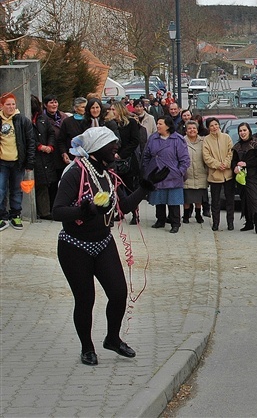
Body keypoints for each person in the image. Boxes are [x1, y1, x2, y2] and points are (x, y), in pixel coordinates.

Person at [51, 126, 169, 366]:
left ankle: (112, 339)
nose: (116, 148)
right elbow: (58, 211)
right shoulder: (75, 172)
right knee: (85, 299)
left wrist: (146, 186)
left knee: (118, 293)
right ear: (96, 149)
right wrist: (87, 209)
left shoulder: (107, 173)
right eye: (111, 145)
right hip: (75, 245)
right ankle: (87, 347)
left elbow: (123, 207)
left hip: (103, 242)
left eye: (116, 144)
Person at [140, 116, 190, 233]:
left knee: (173, 201)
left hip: (173, 174)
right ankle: (160, 220)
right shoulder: (153, 138)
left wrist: (179, 171)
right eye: (157, 123)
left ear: (168, 126)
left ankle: (175, 223)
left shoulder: (177, 139)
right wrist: (147, 170)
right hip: (157, 173)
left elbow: (185, 159)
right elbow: (146, 155)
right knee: (159, 198)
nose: (157, 126)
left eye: (160, 124)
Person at [0, 93, 36, 231]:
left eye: (13, 104)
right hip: (2, 162)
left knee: (16, 190)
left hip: (18, 162)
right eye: (8, 104)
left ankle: (15, 215)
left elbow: (30, 142)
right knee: (1, 190)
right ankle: (1, 217)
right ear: (2, 106)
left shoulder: (23, 121)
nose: (11, 107)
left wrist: (29, 163)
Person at [110, 101, 142, 224]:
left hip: (127, 160)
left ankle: (135, 214)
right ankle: (120, 211)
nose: (112, 112)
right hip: (114, 161)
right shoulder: (112, 125)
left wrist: (121, 154)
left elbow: (135, 141)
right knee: (116, 188)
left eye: (114, 109)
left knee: (129, 188)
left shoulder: (131, 123)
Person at [202, 117, 235, 231]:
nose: (214, 127)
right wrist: (217, 164)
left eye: (216, 124)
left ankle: (230, 222)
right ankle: (215, 223)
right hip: (214, 175)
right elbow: (206, 157)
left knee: (230, 200)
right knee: (215, 201)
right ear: (208, 128)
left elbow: (231, 153)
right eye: (211, 125)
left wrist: (225, 164)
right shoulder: (206, 140)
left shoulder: (226, 137)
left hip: (228, 174)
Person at [232, 122, 257, 235]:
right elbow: (234, 161)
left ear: (249, 131)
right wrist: (235, 167)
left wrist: (246, 163)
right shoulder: (237, 146)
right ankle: (248, 222)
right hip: (241, 178)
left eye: (244, 130)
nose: (242, 133)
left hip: (254, 176)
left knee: (253, 199)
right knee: (244, 199)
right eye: (240, 131)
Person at [30, 95, 59, 220]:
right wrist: (39, 146)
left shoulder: (43, 119)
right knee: (39, 183)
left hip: (46, 156)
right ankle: (42, 211)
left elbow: (51, 133)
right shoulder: (27, 119)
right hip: (35, 154)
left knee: (46, 183)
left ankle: (46, 211)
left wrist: (50, 146)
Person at [182, 120, 208, 224]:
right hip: (187, 173)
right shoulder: (182, 141)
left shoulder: (203, 141)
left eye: (194, 128)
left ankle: (198, 214)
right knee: (187, 198)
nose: (192, 130)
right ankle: (186, 215)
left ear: (197, 130)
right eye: (189, 128)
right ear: (186, 130)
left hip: (200, 172)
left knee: (199, 197)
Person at [58, 97, 88, 165]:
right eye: (83, 107)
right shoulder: (67, 122)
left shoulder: (89, 121)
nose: (85, 109)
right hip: (72, 156)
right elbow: (61, 140)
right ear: (75, 108)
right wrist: (64, 153)